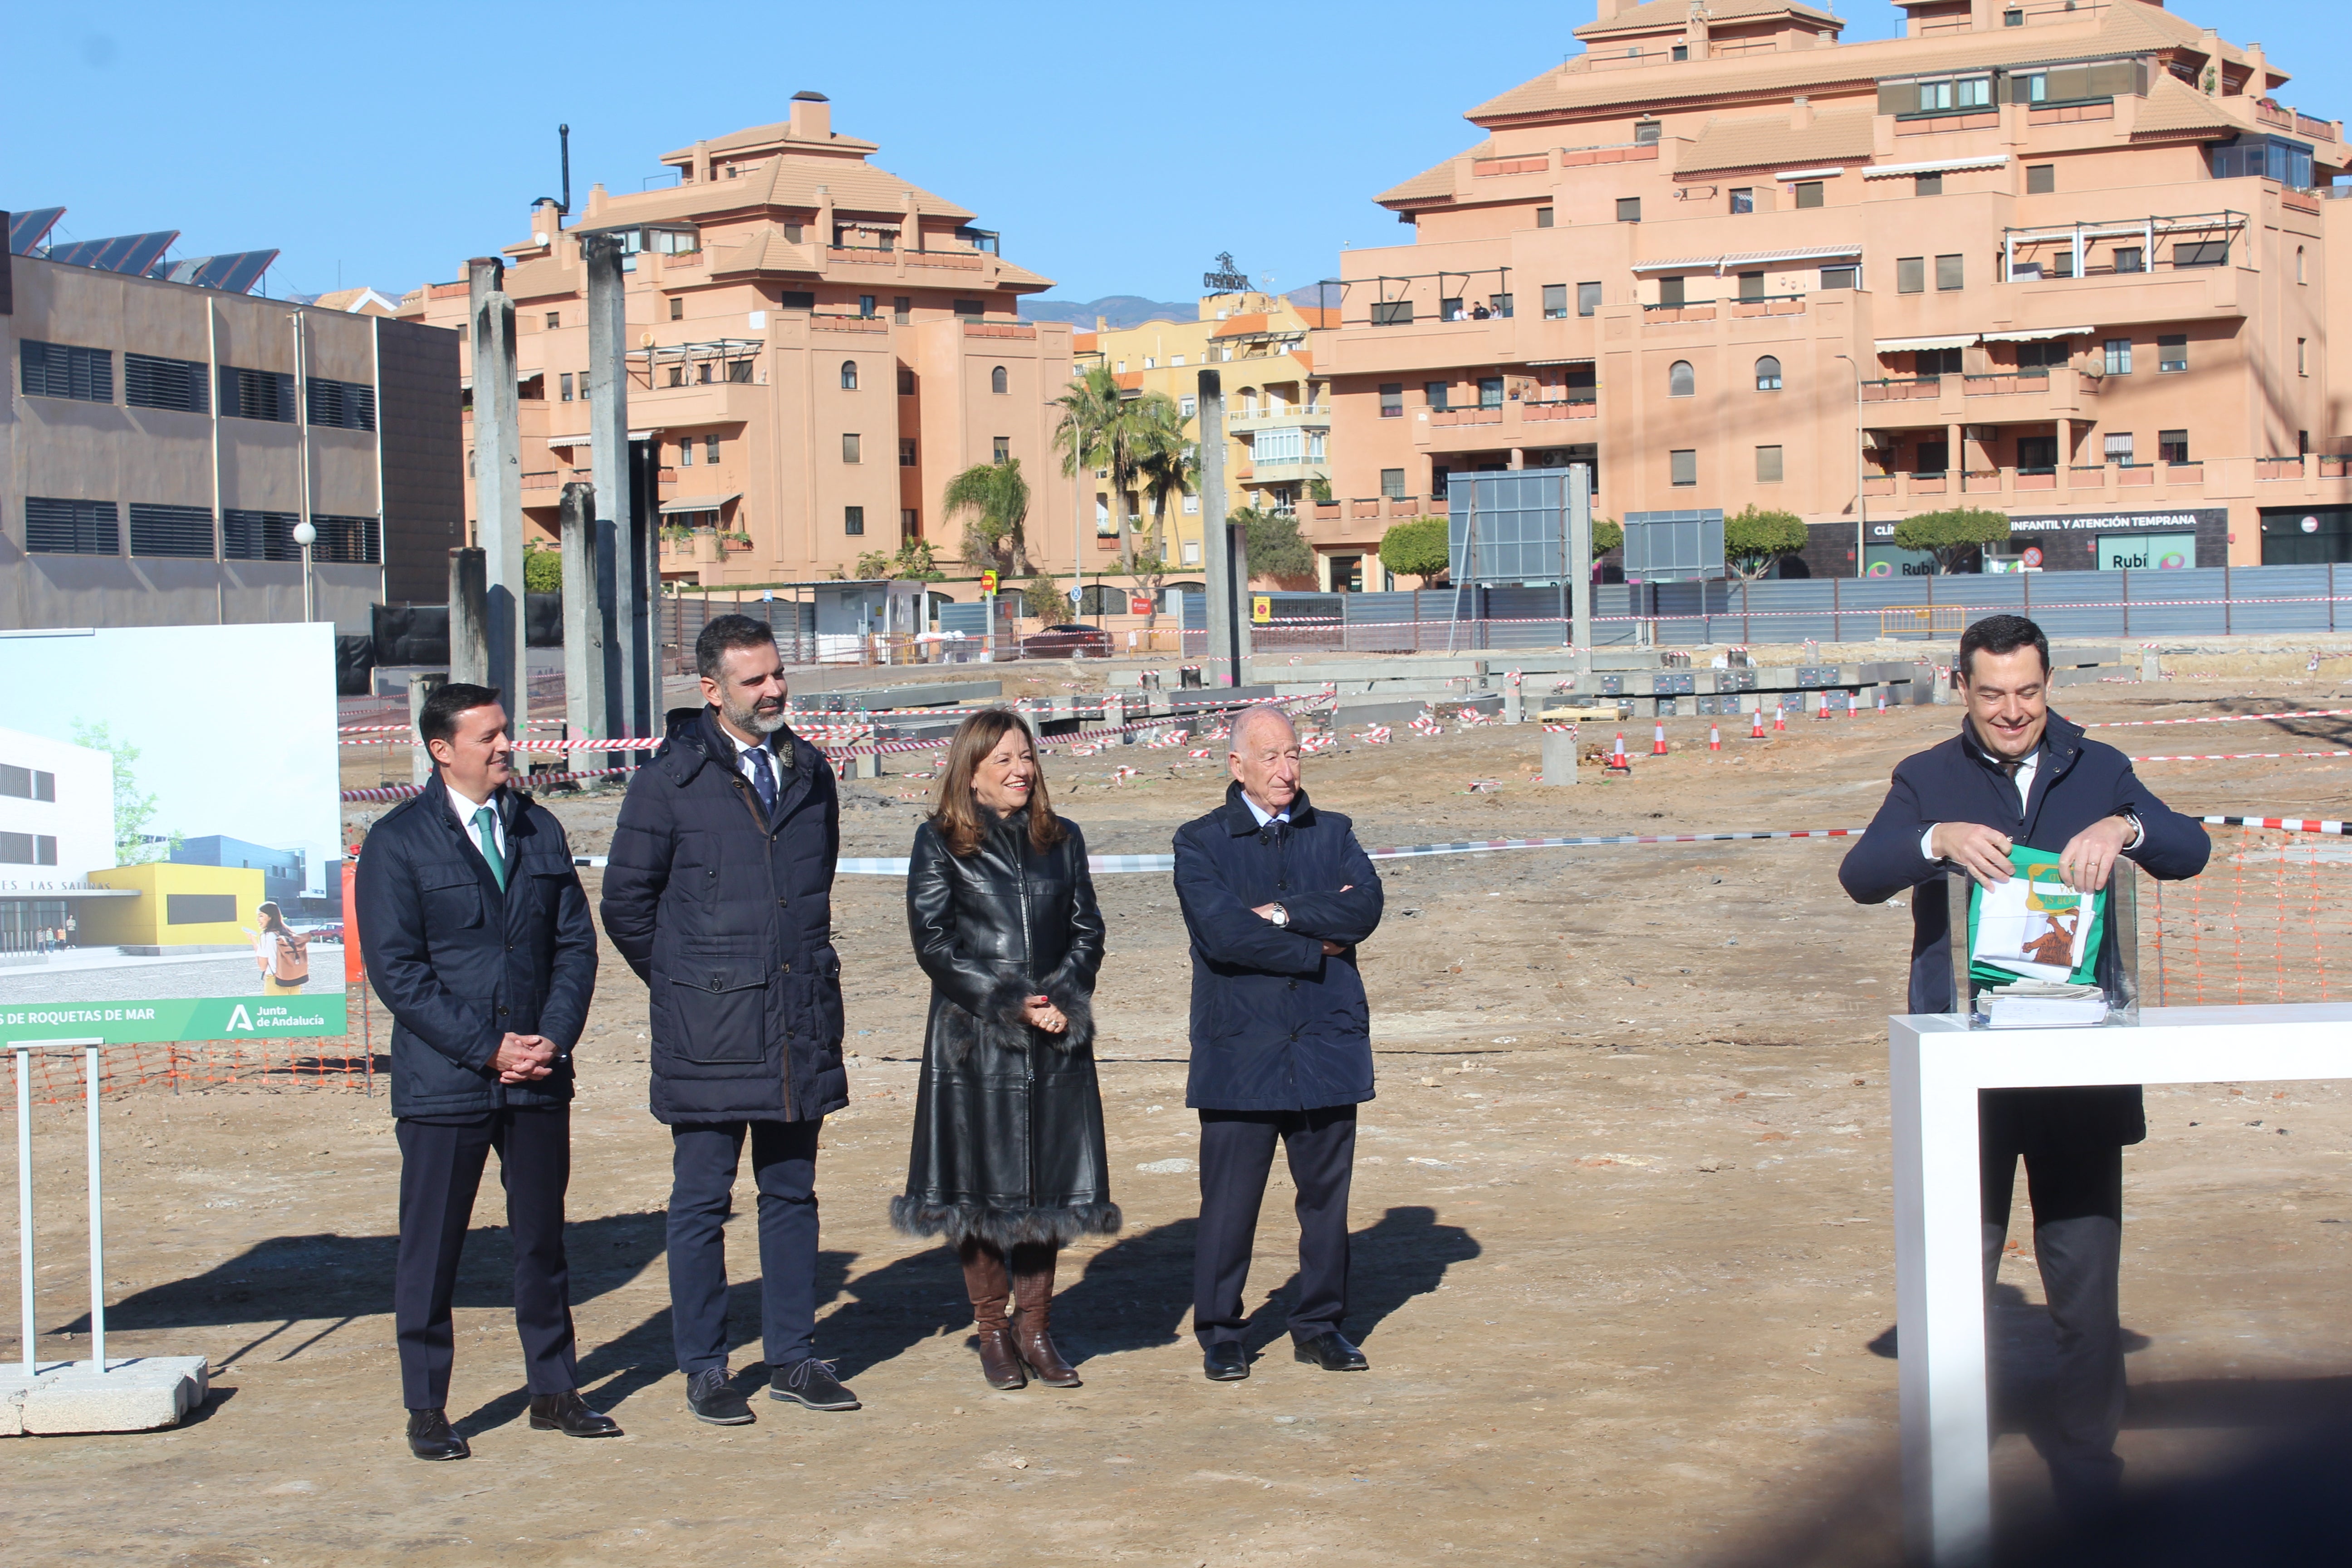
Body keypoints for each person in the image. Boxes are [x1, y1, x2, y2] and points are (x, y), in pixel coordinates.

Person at [1838, 613, 2208, 1516]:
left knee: (2085, 1289)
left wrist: (2126, 827)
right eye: (1994, 693)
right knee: (1957, 1279)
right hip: (1965, 1077)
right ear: (1961, 687)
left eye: (2030, 693)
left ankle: (2090, 1478)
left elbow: (2189, 849)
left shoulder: (2100, 767)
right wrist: (1935, 843)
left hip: (2077, 1070)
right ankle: (1954, 1476)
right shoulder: (1926, 778)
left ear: (2050, 687)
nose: (2013, 712)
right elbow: (1861, 873)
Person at [600, 614, 857, 1426]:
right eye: (754, 680)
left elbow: (810, 891)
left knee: (791, 1193)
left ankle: (791, 1356)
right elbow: (625, 905)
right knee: (701, 1201)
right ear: (711, 691)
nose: (774, 689)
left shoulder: (811, 773)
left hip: (797, 1023)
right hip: (706, 1035)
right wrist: (691, 985)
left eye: (777, 673)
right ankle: (706, 1367)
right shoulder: (667, 783)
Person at [353, 681, 613, 1461]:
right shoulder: (398, 842)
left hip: (536, 1075)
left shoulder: (539, 828)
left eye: (507, 733)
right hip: (446, 1083)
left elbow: (575, 946)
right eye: (489, 736)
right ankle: (427, 1405)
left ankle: (553, 1387)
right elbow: (398, 974)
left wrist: (551, 1038)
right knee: (431, 1248)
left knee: (542, 1240)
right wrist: (486, 1047)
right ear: (442, 750)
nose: (507, 746)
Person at [892, 710, 1115, 1392]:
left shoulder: (1063, 839)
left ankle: (1036, 1327)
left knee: (1047, 1192)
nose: (1021, 770)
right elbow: (935, 944)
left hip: (1054, 1039)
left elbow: (1087, 929)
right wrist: (1009, 999)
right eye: (1004, 761)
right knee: (980, 1196)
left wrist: (1060, 1000)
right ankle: (992, 1330)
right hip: (976, 1044)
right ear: (973, 771)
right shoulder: (939, 843)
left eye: (1027, 757)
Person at [1173, 706, 1384, 1382]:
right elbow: (1223, 936)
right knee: (1230, 1203)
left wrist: (1289, 913)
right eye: (1269, 757)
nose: (1285, 769)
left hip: (1325, 1043)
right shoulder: (1201, 842)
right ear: (1236, 766)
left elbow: (1366, 909)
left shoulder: (1336, 833)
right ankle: (1221, 1331)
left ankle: (1320, 1325)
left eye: (1293, 754)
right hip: (1242, 1048)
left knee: (1326, 1203)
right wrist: (1316, 950)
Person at [247, 901, 310, 994]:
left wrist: (253, 942)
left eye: (261, 916)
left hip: (276, 982)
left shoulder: (266, 936)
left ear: (270, 917)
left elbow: (262, 966)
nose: (258, 920)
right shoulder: (290, 933)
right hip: (295, 981)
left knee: (275, 1008)